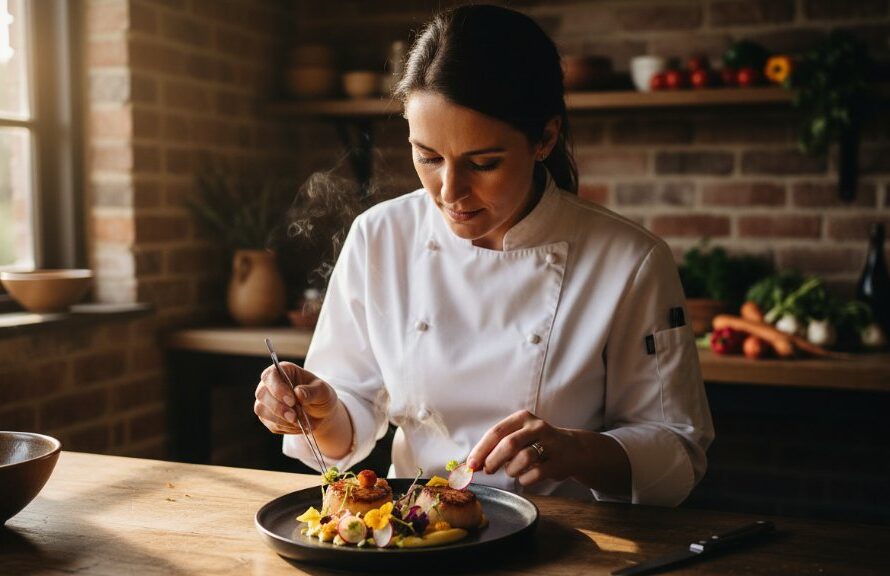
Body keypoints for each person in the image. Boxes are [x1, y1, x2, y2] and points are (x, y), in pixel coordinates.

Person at [254, 4, 713, 506]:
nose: (450, 191)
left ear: (545, 137)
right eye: (427, 157)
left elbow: (676, 451)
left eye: (484, 162)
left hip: (567, 546)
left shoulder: (629, 261)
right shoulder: (380, 236)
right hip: (417, 531)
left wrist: (576, 451)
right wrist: (317, 410)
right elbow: (349, 422)